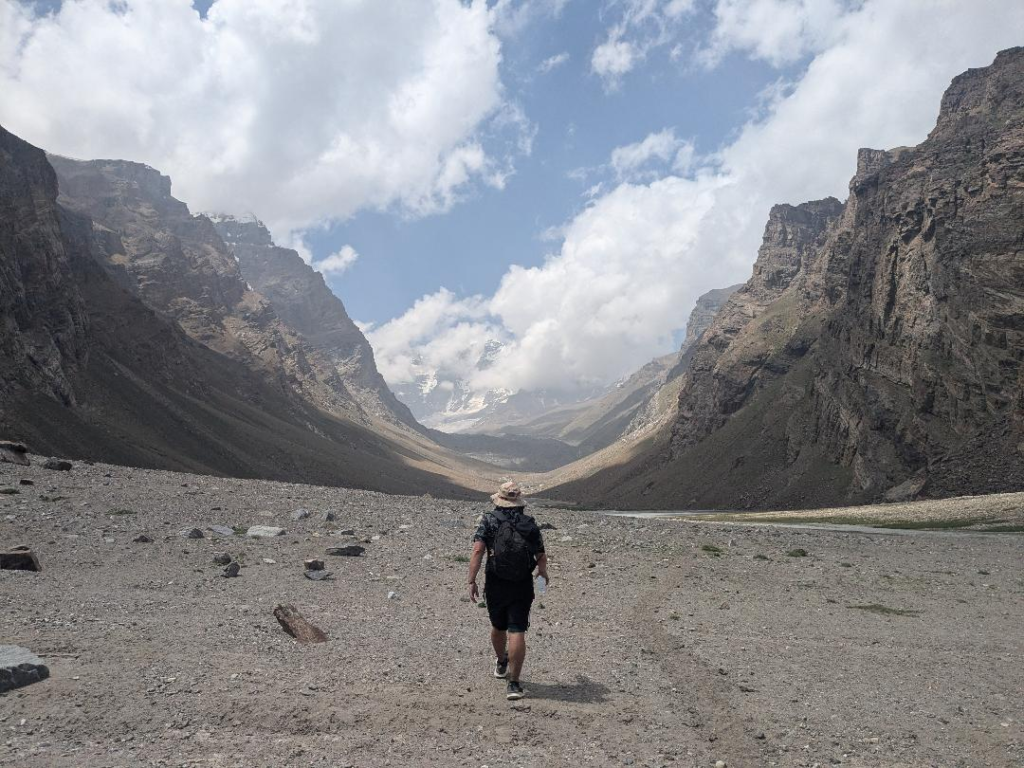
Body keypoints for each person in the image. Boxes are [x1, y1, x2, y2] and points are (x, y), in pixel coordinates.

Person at [467, 480, 548, 700]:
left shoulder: (489, 520)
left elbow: (477, 551)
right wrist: (542, 572)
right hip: (522, 583)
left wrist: (471, 580)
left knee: (498, 626)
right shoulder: (529, 523)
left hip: (496, 582)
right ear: (519, 502)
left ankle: (502, 661)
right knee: (517, 630)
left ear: (499, 500)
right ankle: (513, 684)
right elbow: (540, 553)